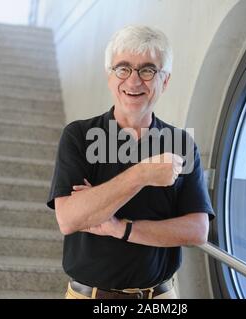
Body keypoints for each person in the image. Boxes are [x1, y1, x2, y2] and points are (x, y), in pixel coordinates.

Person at [46, 25, 215, 299]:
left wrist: (120, 228)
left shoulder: (182, 145)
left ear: (165, 80)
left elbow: (197, 231)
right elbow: (69, 218)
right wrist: (142, 174)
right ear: (109, 76)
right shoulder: (79, 136)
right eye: (123, 68)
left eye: (147, 70)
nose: (134, 81)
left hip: (160, 298)